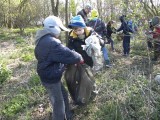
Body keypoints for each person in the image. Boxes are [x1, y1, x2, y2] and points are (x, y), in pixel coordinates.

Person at [34, 15, 84, 120]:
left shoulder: (42, 39)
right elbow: (69, 55)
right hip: (51, 78)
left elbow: (50, 56)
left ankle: (68, 115)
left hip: (50, 75)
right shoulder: (52, 42)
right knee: (58, 104)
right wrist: (79, 57)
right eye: (59, 29)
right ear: (54, 27)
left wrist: (61, 65)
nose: (60, 31)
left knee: (64, 95)